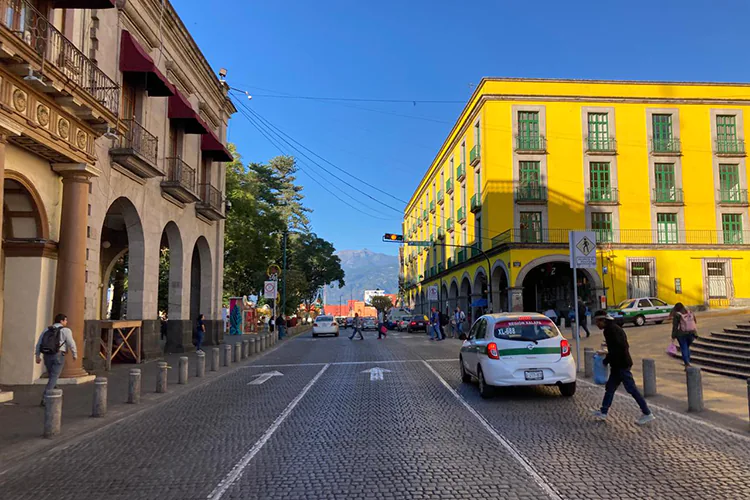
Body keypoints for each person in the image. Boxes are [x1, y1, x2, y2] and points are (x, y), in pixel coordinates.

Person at [591, 310, 655, 425]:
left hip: (621, 364)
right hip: (618, 364)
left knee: (632, 389)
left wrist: (607, 359)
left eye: (597, 322)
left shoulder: (611, 330)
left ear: (603, 320)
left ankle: (647, 413)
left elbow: (619, 348)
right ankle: (603, 411)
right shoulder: (611, 328)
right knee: (610, 388)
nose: (596, 324)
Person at [35, 313, 77, 407]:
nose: (66, 322)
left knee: (52, 376)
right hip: (58, 355)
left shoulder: (47, 329)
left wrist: (37, 355)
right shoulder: (66, 330)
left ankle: (55, 392)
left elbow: (39, 343)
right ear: (61, 321)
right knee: (54, 376)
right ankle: (46, 398)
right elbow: (71, 343)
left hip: (47, 355)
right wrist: (74, 354)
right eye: (65, 320)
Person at [671, 302, 697, 368]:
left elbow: (675, 327)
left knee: (684, 348)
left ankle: (687, 363)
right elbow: (695, 321)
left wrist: (673, 336)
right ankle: (688, 362)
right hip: (691, 333)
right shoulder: (689, 312)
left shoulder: (677, 315)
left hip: (681, 334)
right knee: (687, 347)